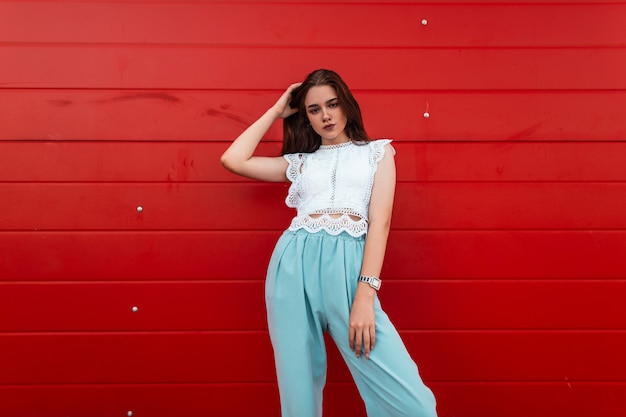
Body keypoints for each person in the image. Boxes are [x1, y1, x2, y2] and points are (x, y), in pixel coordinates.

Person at [221, 69, 437, 417]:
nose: (325, 115)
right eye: (314, 109)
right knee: (298, 388)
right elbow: (234, 160)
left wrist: (365, 294)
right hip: (293, 269)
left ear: (346, 105)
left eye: (332, 105)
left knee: (415, 405)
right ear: (305, 116)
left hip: (350, 273)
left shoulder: (377, 154)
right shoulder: (301, 163)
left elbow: (379, 224)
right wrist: (277, 111)